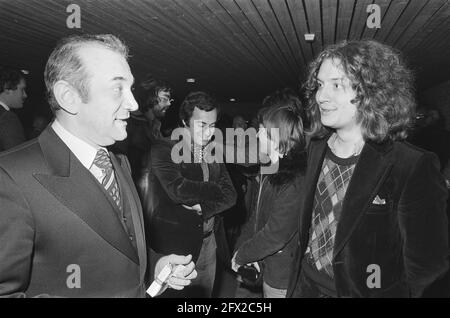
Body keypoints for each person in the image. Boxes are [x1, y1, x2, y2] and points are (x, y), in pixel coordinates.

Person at [0, 34, 196, 297]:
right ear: (68, 96)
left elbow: (118, 244)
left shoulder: (119, 161)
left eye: (130, 88)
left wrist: (154, 265)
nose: (134, 104)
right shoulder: (10, 177)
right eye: (118, 89)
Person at [287, 40, 449, 298]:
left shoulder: (412, 165)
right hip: (304, 287)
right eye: (319, 85)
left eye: (336, 85)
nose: (321, 96)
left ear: (372, 92)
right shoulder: (316, 148)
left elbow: (427, 269)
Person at [147, 91, 237, 297]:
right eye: (201, 125)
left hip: (209, 242)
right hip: (177, 246)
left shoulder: (212, 151)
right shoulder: (163, 148)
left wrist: (204, 207)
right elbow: (179, 191)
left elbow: (231, 195)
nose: (208, 133)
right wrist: (217, 191)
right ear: (184, 121)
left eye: (212, 126)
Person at [231, 90, 307, 298]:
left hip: (281, 274)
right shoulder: (271, 168)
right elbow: (256, 216)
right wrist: (242, 251)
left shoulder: (295, 179)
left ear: (276, 135)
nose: (256, 134)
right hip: (265, 263)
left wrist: (243, 254)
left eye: (262, 130)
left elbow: (276, 234)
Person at [0, 67, 27, 151]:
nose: (25, 95)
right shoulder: (7, 118)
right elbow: (18, 159)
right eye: (22, 89)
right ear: (7, 88)